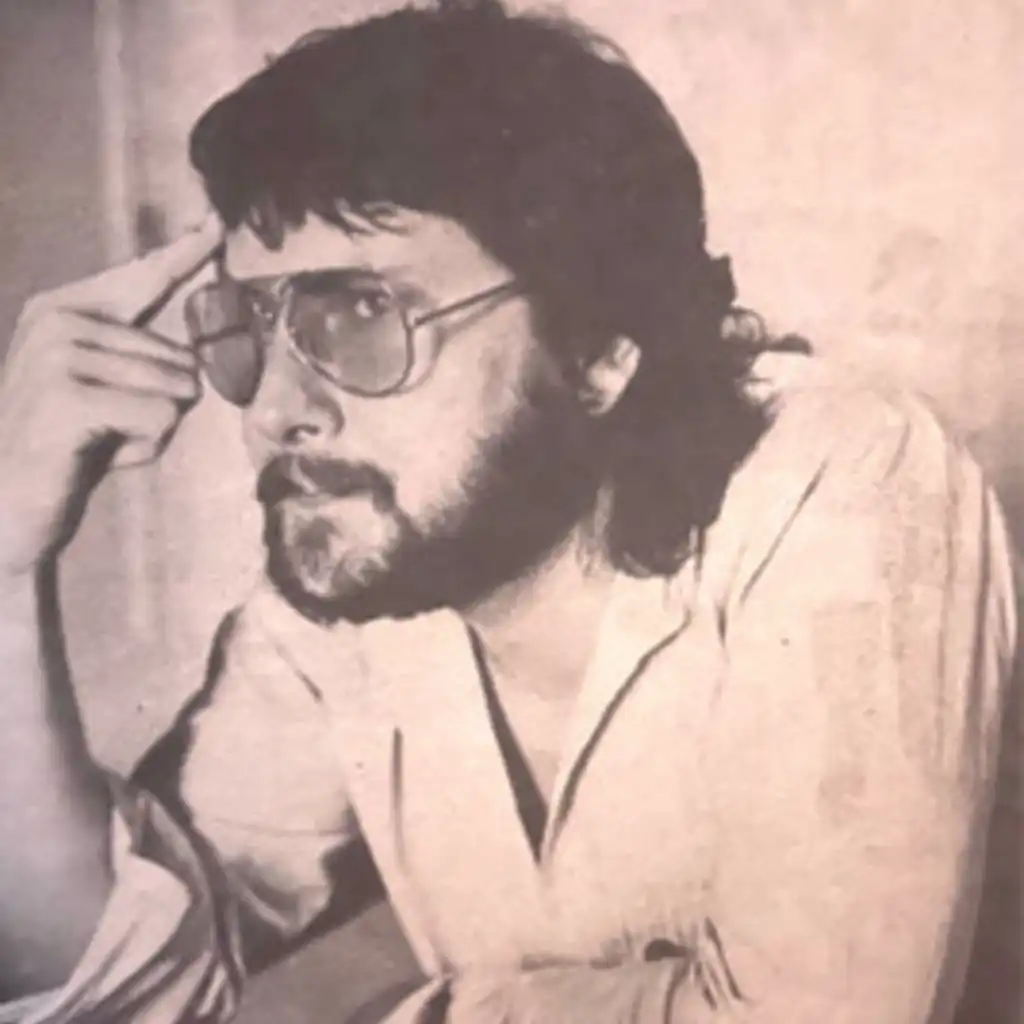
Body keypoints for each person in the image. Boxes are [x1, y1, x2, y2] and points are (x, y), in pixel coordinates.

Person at [0, 3, 1017, 1022]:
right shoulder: (363, 581)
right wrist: (7, 563)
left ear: (597, 350)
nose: (273, 410)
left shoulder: (841, 479)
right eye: (247, 326)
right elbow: (118, 988)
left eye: (362, 313)